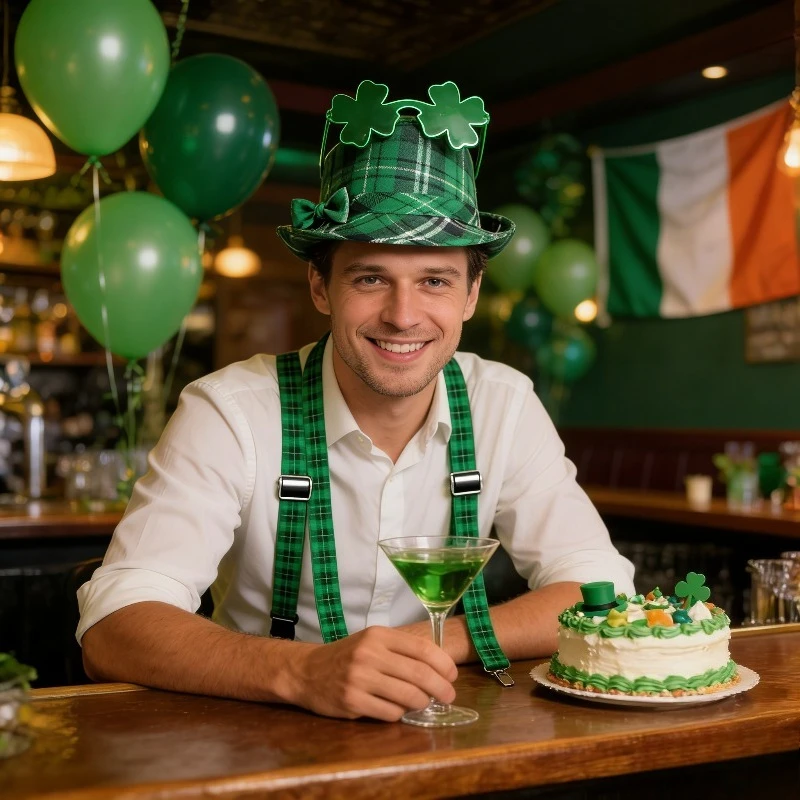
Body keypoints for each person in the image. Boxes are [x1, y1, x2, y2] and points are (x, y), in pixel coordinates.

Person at [78, 80, 634, 722]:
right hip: (256, 740)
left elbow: (599, 588)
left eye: (434, 281)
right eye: (371, 277)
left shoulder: (503, 403)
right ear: (321, 286)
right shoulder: (229, 409)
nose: (403, 316)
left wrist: (425, 647)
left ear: (471, 296)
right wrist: (301, 670)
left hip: (438, 728)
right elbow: (113, 623)